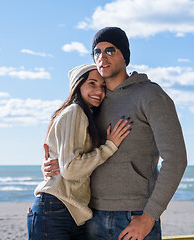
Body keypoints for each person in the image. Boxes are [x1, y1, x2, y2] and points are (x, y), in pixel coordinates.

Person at [42, 27, 188, 240]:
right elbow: (70, 147)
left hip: (134, 217)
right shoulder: (92, 104)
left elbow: (176, 159)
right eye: (97, 52)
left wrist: (149, 217)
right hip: (91, 217)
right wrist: (51, 164)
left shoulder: (151, 95)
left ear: (125, 56)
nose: (102, 57)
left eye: (110, 50)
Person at [27, 64, 132, 239]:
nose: (99, 90)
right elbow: (71, 169)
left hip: (68, 212)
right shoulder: (75, 111)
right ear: (78, 85)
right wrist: (110, 146)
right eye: (92, 83)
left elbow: (63, 162)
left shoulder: (84, 115)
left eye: (103, 86)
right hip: (57, 209)